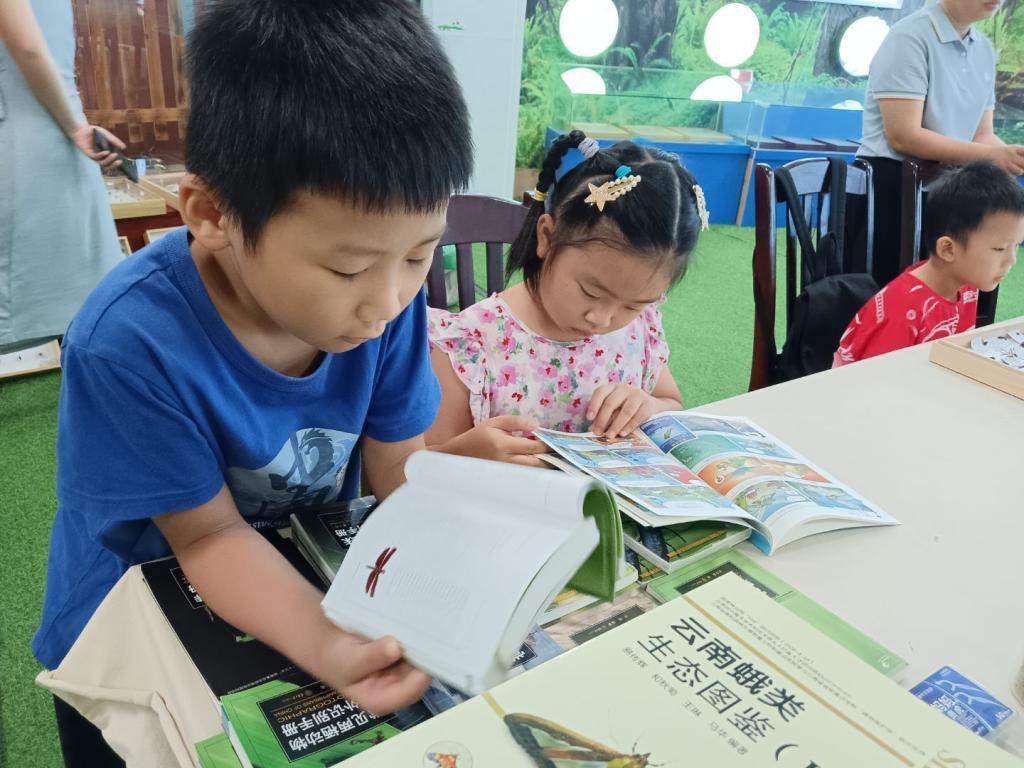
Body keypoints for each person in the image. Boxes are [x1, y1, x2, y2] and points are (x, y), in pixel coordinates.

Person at [32, 0, 472, 763]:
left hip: (296, 585)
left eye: (418, 254)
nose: (387, 301)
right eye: (348, 267)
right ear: (212, 214)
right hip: (137, 623)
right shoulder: (128, 341)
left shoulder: (388, 306)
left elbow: (399, 468)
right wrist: (326, 641)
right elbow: (208, 536)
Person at [426, 132, 708, 463]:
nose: (602, 320)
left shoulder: (639, 328)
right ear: (547, 236)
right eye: (591, 291)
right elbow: (421, 461)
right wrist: (467, 455)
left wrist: (649, 405)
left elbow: (670, 401)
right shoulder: (471, 346)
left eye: (633, 305)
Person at [857, 0, 1024, 288]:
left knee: (957, 294)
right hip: (892, 191)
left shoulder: (983, 49)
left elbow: (982, 135)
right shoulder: (909, 37)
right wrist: (992, 156)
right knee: (895, 296)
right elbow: (904, 135)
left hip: (952, 192)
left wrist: (1011, 157)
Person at [0, 0, 125, 351]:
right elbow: (27, 47)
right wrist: (74, 127)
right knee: (83, 303)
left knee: (85, 303)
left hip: (47, 130)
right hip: (36, 136)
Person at [834, 161, 1024, 366]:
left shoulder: (967, 285)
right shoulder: (901, 312)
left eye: (1016, 246)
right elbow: (873, 380)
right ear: (948, 249)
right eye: (1000, 249)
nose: (1012, 259)